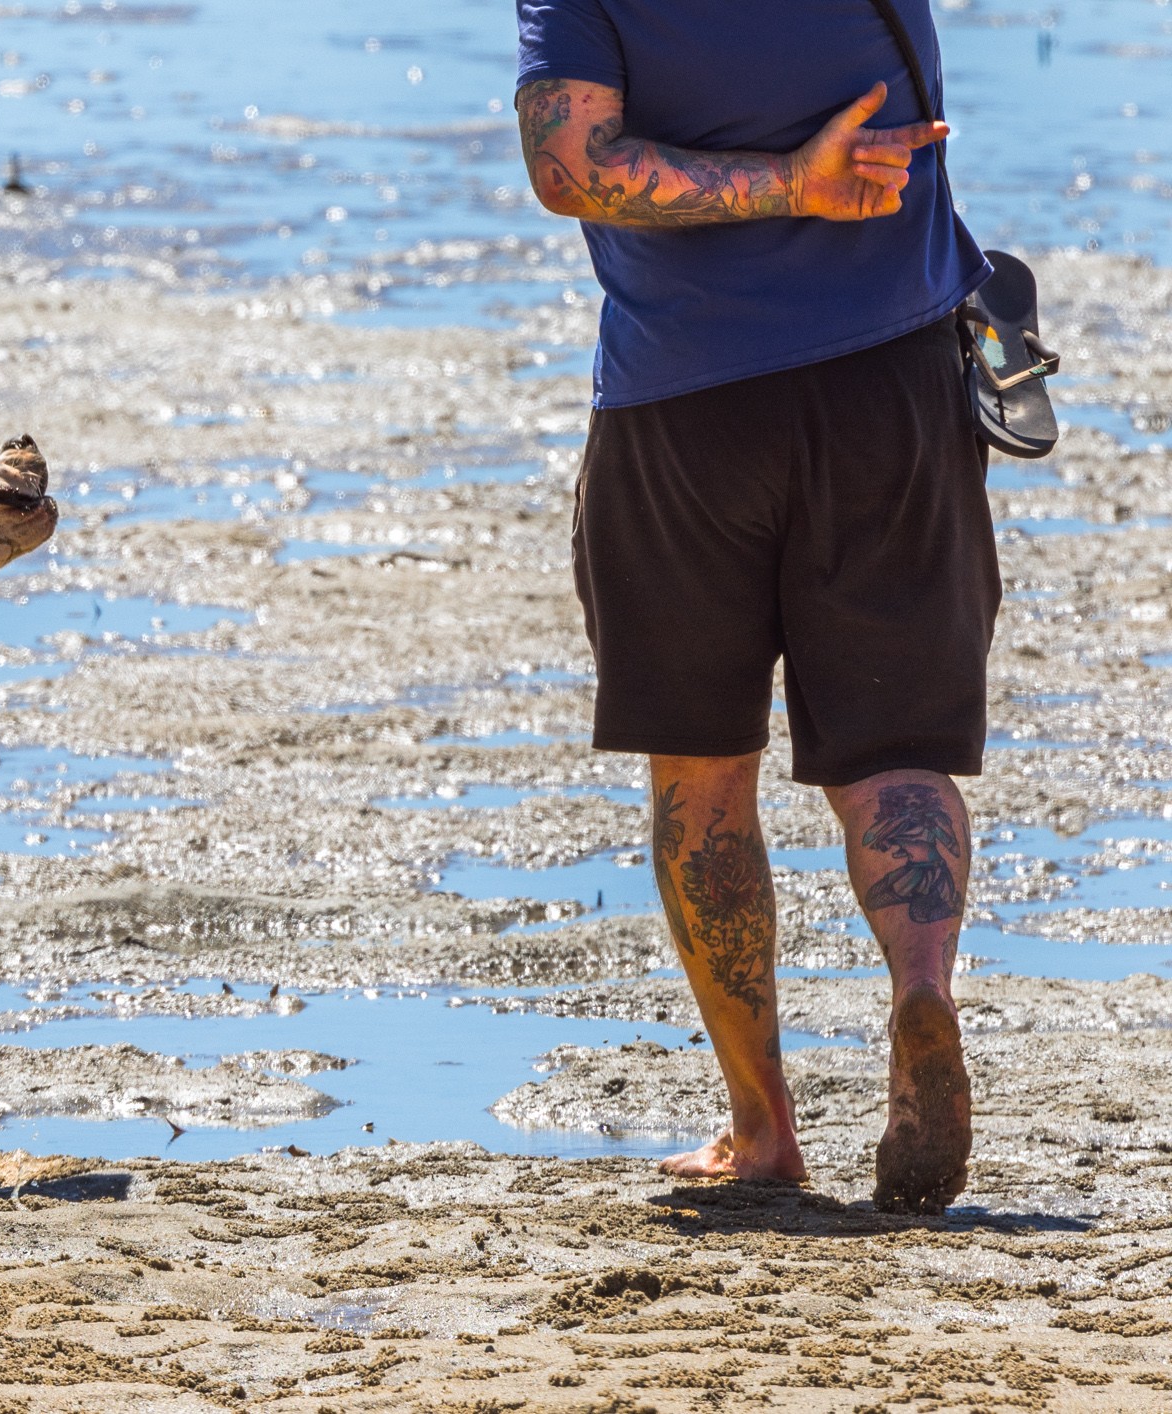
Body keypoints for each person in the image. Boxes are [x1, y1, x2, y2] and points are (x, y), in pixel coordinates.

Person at [512, 0, 995, 1214]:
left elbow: (569, 166)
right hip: (888, 381)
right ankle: (916, 987)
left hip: (682, 405)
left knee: (701, 769)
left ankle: (761, 1130)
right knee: (895, 753)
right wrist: (818, 174)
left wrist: (786, 183)